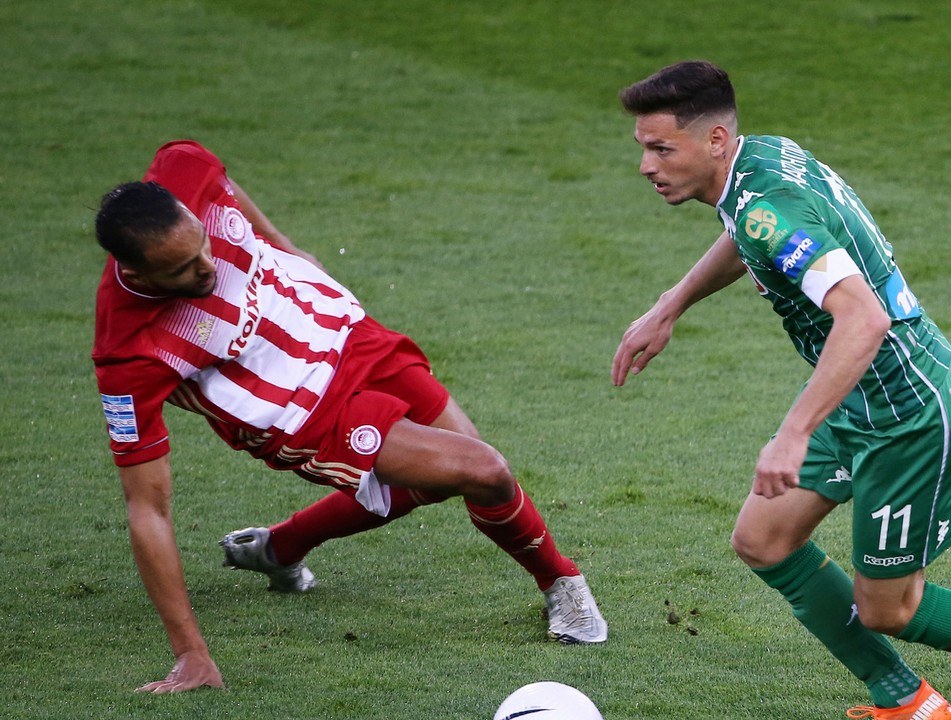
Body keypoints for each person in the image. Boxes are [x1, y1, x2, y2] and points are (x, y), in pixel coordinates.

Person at [612, 61, 951, 720]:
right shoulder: (760, 162)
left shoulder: (770, 206)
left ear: (715, 140)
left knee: (890, 608)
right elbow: (748, 234)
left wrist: (794, 433)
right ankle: (906, 700)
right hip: (860, 397)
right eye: (643, 149)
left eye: (662, 149)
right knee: (763, 539)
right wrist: (671, 303)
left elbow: (864, 318)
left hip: (911, 413)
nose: (647, 166)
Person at [92, 140, 607, 694]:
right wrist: (190, 653)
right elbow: (147, 509)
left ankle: (281, 547)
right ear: (138, 275)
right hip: (307, 410)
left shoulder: (182, 168)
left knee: (453, 473)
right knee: (485, 471)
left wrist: (287, 246)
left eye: (203, 245)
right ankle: (563, 583)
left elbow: (217, 176)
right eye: (183, 270)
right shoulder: (127, 352)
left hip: (339, 330)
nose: (208, 267)